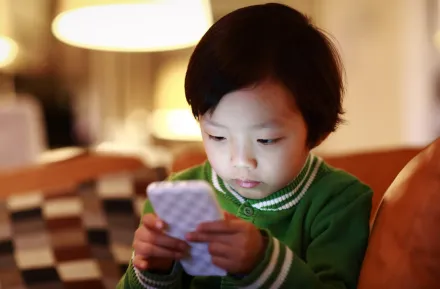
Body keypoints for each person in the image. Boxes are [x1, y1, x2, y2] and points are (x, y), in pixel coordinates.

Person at [118, 3, 372, 289]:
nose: (241, 160)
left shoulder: (339, 202)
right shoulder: (173, 198)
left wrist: (263, 263)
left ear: (317, 133)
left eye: (266, 140)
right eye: (217, 137)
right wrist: (153, 270)